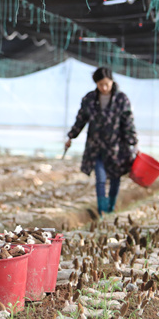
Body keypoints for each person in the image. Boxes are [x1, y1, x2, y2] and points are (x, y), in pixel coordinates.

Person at [64, 67, 138, 215]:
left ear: (112, 81)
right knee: (100, 178)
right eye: (100, 84)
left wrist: (133, 141)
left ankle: (111, 206)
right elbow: (81, 119)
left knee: (115, 178)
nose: (104, 88)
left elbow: (128, 122)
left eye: (106, 84)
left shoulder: (121, 99)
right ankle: (102, 209)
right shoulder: (89, 99)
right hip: (96, 146)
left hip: (116, 146)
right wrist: (71, 136)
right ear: (96, 84)